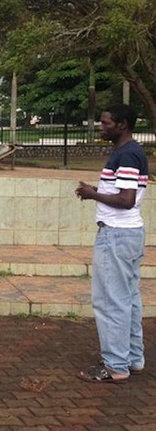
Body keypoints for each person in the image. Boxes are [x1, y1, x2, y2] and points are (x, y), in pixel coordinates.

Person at [75, 104, 149, 383]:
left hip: (117, 234)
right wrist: (93, 193)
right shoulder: (129, 151)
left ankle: (116, 365)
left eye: (106, 123)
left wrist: (93, 194)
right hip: (128, 234)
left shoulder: (127, 154)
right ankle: (132, 358)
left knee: (110, 302)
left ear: (123, 125)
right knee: (128, 298)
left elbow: (126, 200)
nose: (101, 127)